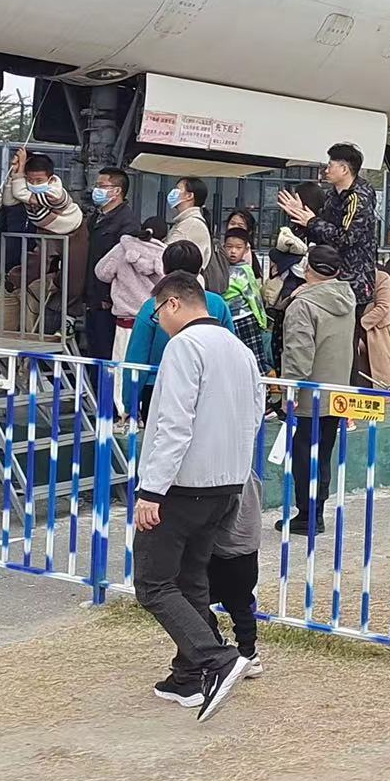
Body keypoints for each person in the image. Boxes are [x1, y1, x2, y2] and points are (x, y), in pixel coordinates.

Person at [132, 272, 262, 718]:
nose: (158, 323)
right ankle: (188, 676)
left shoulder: (184, 346)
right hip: (226, 483)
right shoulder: (239, 349)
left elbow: (173, 423)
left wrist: (151, 489)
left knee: (153, 584)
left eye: (156, 314)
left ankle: (215, 658)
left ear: (172, 304)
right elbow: (255, 414)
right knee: (191, 582)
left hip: (183, 485)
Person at [278, 244, 358, 536]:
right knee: (323, 453)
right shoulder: (347, 297)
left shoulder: (303, 305)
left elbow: (298, 354)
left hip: (309, 393)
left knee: (304, 456)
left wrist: (289, 391)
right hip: (337, 390)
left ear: (307, 268)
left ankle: (307, 515)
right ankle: (317, 511)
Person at [120, 240, 233, 425]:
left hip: (158, 386)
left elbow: (136, 358)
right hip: (208, 388)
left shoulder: (153, 306)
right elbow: (229, 349)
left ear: (164, 269)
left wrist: (129, 403)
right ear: (199, 270)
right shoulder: (217, 303)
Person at [280, 143, 379, 317]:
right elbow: (322, 231)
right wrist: (302, 217)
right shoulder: (332, 195)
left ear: (344, 169)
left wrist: (312, 221)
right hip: (329, 276)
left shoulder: (358, 199)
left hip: (352, 281)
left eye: (330, 165)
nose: (326, 170)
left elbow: (346, 238)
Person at [0, 153, 82, 340]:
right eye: (29, 178)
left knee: (30, 335)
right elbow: (1, 231)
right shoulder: (14, 201)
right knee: (0, 334)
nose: (33, 183)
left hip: (35, 281)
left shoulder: (52, 203)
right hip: (7, 277)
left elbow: (47, 252)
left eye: (38, 179)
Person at [76, 166, 144, 361]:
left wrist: (108, 295)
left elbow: (125, 265)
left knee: (105, 351)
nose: (96, 190)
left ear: (116, 191)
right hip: (92, 293)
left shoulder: (127, 223)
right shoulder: (96, 218)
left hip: (108, 299)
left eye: (101, 186)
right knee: (93, 348)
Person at [96, 219, 166, 366]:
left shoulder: (122, 248)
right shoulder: (165, 254)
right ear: (164, 237)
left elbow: (102, 272)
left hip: (125, 320)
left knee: (121, 366)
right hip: (153, 319)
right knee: (147, 367)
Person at [219, 230, 277, 374]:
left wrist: (261, 321)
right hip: (225, 319)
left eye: (238, 247)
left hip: (244, 319)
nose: (233, 251)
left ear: (246, 249)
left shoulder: (245, 270)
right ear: (223, 247)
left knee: (253, 359)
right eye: (229, 247)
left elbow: (253, 296)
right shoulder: (219, 266)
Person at [165, 177, 227, 297]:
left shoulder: (191, 224)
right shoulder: (186, 222)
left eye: (178, 189)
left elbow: (165, 253)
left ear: (189, 196)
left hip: (184, 289)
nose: (173, 193)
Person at [361, 263, 390, 391]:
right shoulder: (345, 277)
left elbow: (383, 307)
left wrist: (360, 325)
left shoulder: (382, 278)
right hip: (349, 331)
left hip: (376, 334)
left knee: (380, 382)